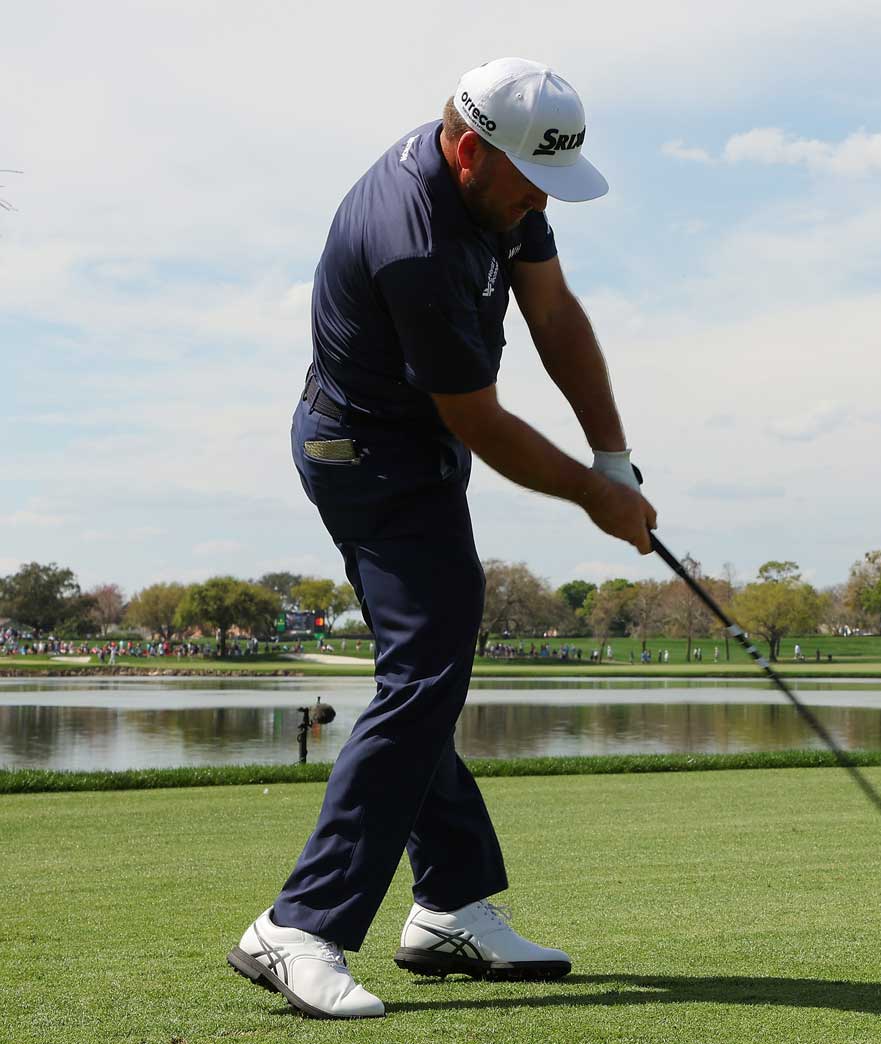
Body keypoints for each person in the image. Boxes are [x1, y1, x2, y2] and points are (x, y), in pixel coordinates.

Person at [229, 59, 654, 1021]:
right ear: (470, 151)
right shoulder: (411, 240)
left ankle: (450, 903)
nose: (542, 202)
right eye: (531, 183)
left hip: (410, 445)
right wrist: (596, 498)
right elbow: (479, 420)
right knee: (427, 669)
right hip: (365, 452)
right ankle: (300, 926)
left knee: (426, 671)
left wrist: (613, 454)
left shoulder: (503, 185)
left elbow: (554, 315)